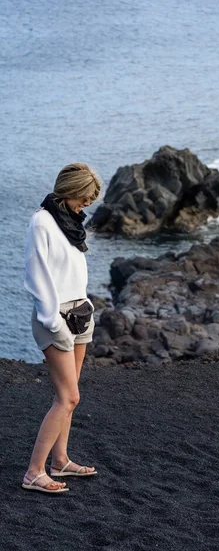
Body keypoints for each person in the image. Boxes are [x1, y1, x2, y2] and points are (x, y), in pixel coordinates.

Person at [22, 163, 101, 493]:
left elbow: (72, 271)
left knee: (66, 397)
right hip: (55, 319)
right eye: (84, 198)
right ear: (70, 190)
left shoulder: (72, 223)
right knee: (69, 397)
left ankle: (60, 461)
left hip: (81, 313)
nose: (87, 204)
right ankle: (33, 473)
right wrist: (53, 319)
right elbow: (36, 274)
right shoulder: (42, 221)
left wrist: (87, 304)